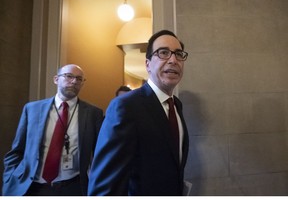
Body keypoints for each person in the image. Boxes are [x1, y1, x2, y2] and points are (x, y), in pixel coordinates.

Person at [88, 30, 189, 196]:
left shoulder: (176, 106)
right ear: (147, 64)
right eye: (163, 53)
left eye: (179, 54)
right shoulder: (126, 106)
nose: (173, 60)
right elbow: (105, 185)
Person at [2, 64, 104, 196]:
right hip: (32, 187)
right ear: (56, 79)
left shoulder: (93, 113)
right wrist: (9, 179)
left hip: (73, 187)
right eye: (69, 76)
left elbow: (100, 153)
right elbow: (16, 151)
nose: (74, 81)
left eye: (79, 79)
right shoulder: (32, 109)